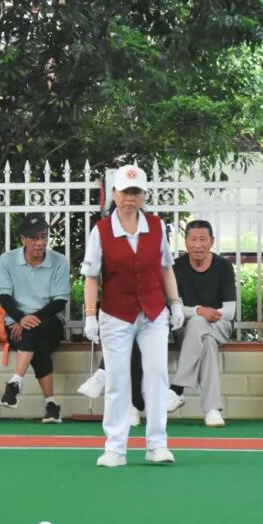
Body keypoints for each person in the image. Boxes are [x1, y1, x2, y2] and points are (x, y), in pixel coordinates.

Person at [81, 164, 184, 467]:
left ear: (143, 195)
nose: (130, 198)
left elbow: (166, 268)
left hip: (153, 312)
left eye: (136, 192)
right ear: (114, 194)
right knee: (117, 380)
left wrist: (175, 303)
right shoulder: (101, 231)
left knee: (156, 374)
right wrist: (90, 315)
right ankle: (115, 448)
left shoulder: (157, 226)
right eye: (125, 192)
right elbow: (91, 276)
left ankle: (157, 444)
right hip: (115, 314)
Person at [0, 212, 71, 423]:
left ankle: (15, 382)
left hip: (50, 322)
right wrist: (20, 318)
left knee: (34, 329)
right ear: (23, 239)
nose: (40, 243)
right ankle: (51, 405)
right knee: (40, 346)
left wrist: (28, 319)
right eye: (34, 238)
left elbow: (60, 301)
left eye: (44, 237)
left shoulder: (59, 261)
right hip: (16, 323)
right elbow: (4, 297)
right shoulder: (7, 260)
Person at [167, 220, 236, 427]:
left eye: (203, 239)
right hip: (187, 329)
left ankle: (178, 388)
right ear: (186, 242)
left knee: (199, 324)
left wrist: (205, 314)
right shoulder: (176, 268)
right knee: (206, 341)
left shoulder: (223, 266)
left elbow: (229, 311)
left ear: (212, 242)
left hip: (220, 324)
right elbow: (175, 308)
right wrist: (198, 311)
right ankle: (212, 410)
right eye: (193, 240)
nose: (198, 245)